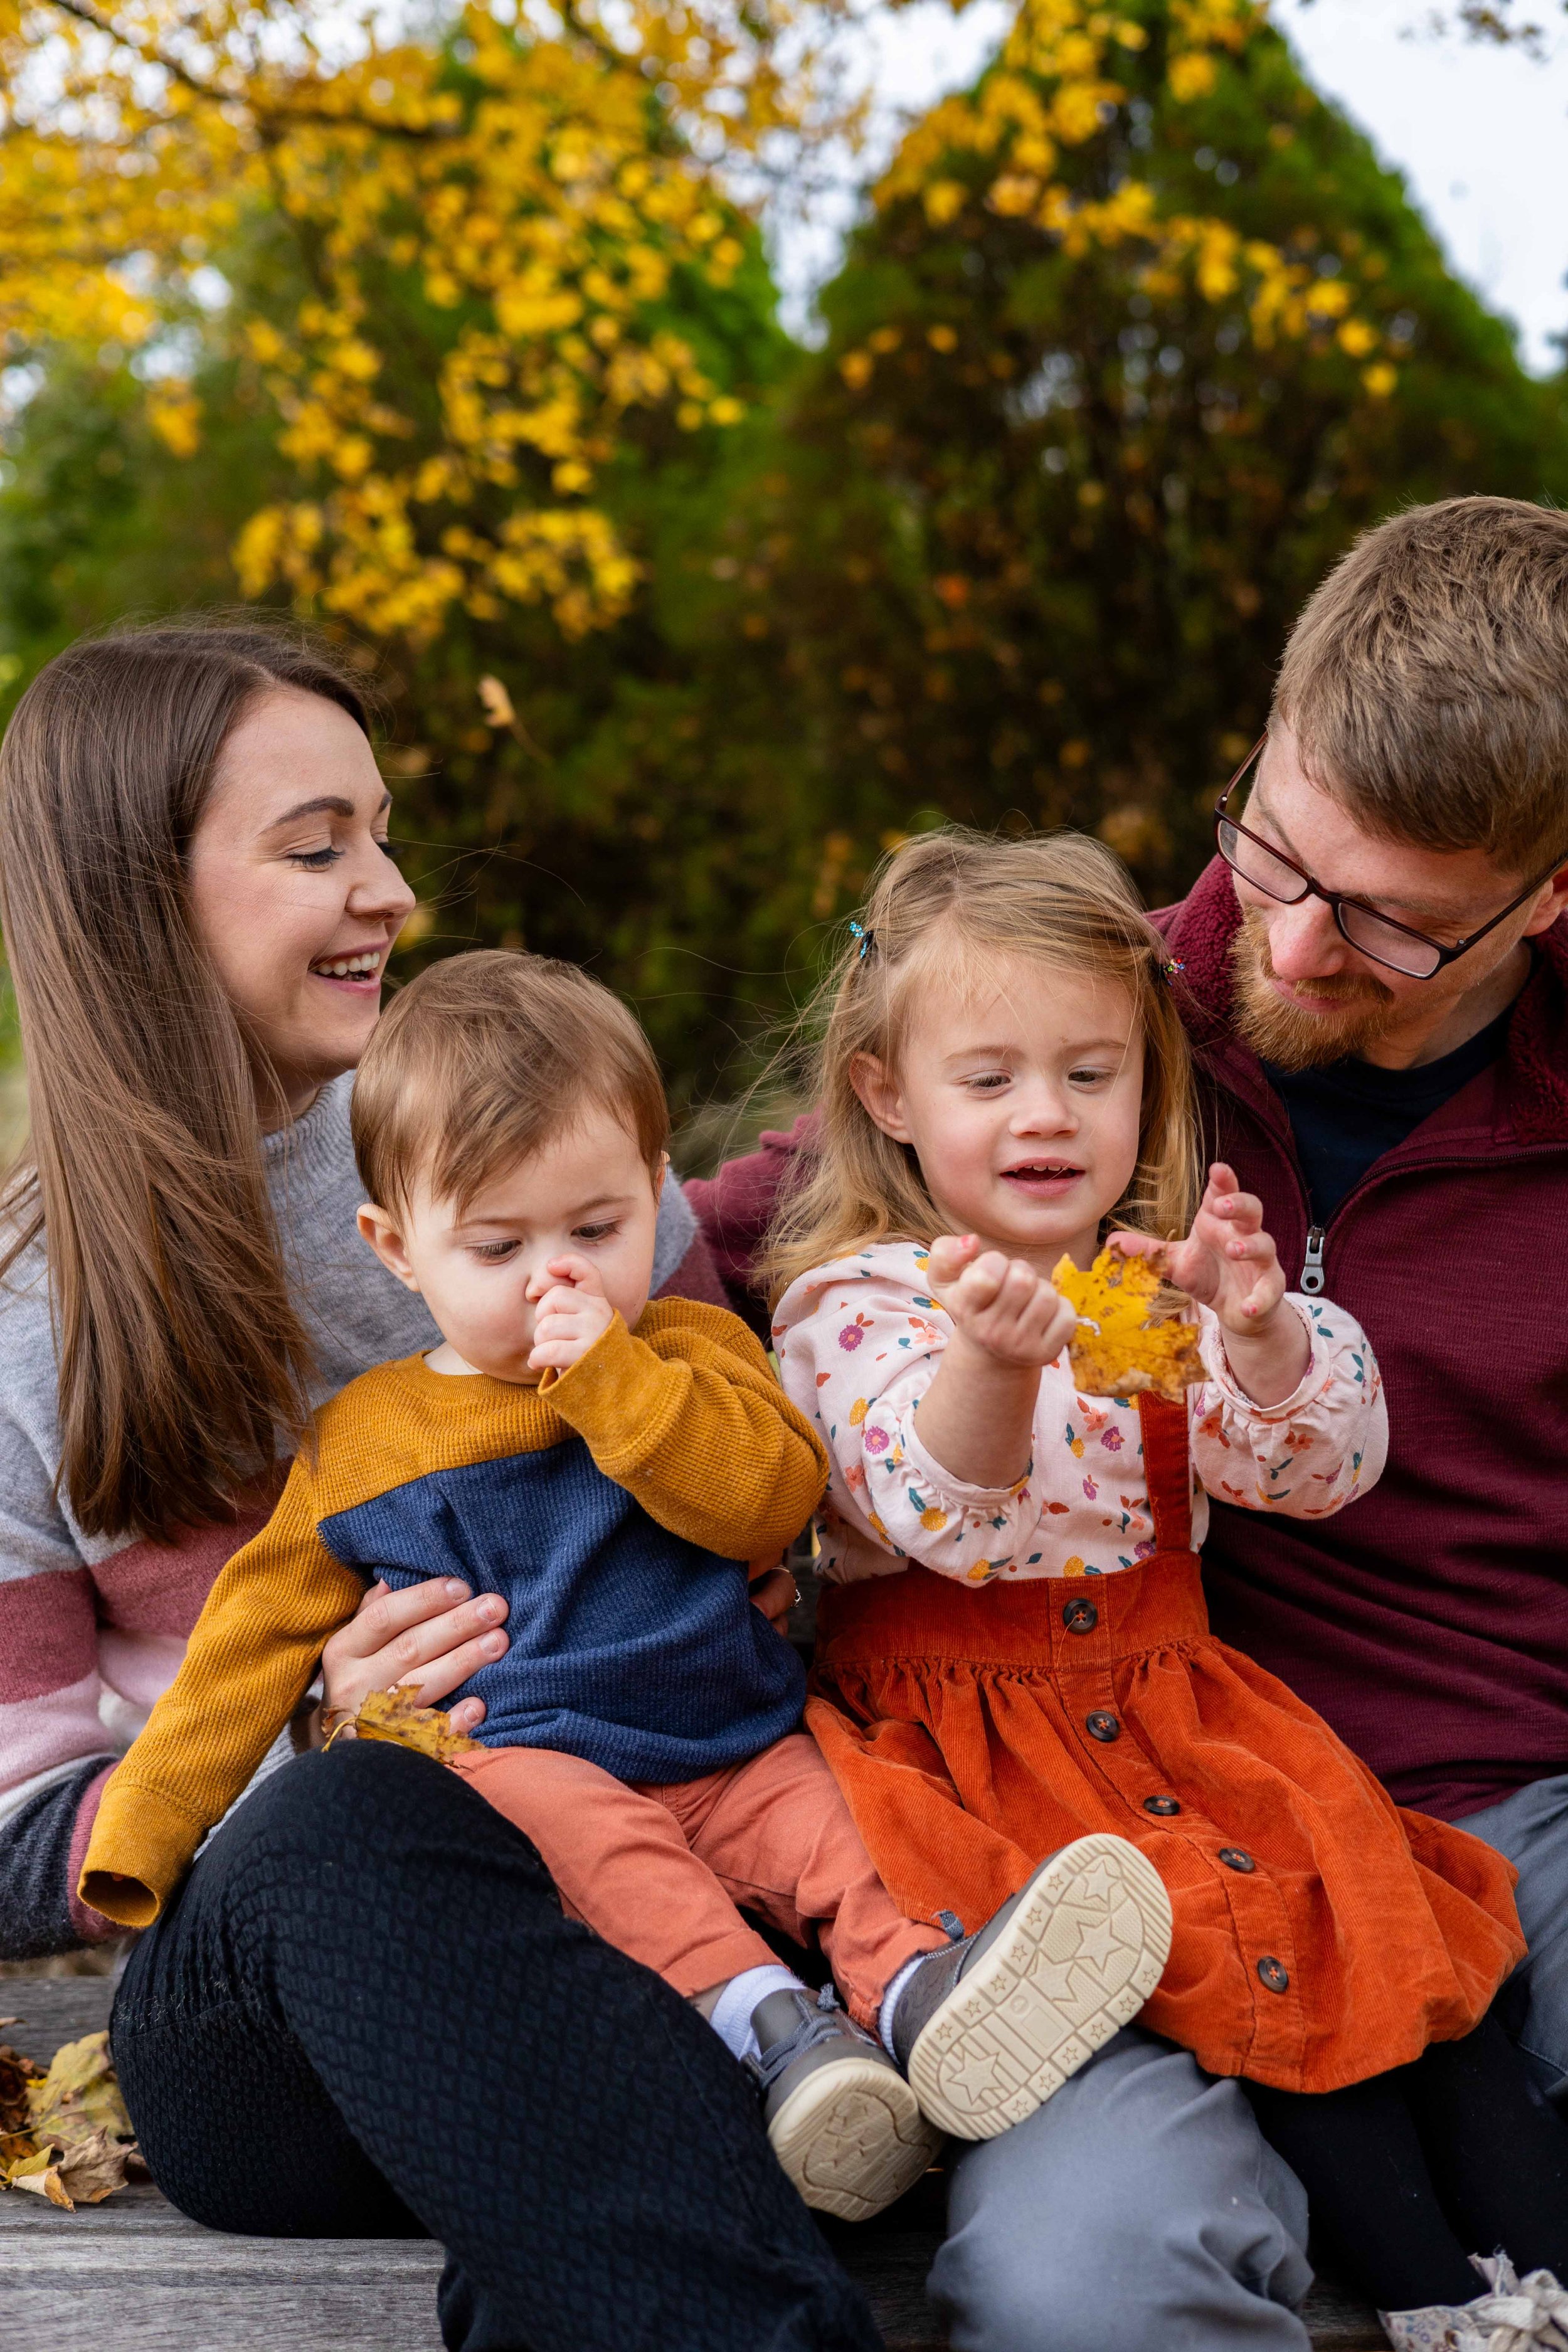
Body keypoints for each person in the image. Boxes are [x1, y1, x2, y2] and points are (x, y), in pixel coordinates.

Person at [685, 495, 1568, 2351]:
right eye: (1276, 854)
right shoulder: (1086, 1005)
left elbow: (1313, 1430)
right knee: (1084, 2278)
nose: (1301, 949)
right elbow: (661, 1254)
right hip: (1064, 1840)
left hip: (1504, 1806)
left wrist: (1253, 1337)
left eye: (1393, 926)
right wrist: (428, 1515)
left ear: (1544, 892)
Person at [0, 620, 882, 2352]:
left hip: (657, 1931)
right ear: (135, 893)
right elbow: (15, 1840)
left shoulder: (524, 1139)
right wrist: (304, 1729)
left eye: (383, 831)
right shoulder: (30, 1319)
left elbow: (744, 1493)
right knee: (365, 1817)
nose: (391, 888)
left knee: (571, 2172)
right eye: (318, 845)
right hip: (281, 2013)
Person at [80, 943, 1173, 2221]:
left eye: (596, 1229)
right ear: (394, 1245)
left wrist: (610, 1383)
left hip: (733, 1732)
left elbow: (767, 1497)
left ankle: (925, 1995)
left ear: (654, 1194)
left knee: (843, 1824)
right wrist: (138, 1843)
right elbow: (243, 1646)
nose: (559, 1275)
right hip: (532, 1762)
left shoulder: (689, 1349)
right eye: (498, 1245)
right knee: (604, 1854)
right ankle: (777, 2037)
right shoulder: (366, 1440)